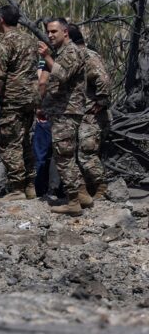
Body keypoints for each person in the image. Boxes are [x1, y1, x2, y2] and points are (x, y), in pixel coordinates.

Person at [0, 5, 40, 200]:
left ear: (1, 19)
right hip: (30, 97)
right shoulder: (30, 41)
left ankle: (17, 188)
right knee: (25, 140)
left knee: (10, 143)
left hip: (13, 98)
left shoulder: (4, 44)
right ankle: (30, 185)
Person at [39, 18, 88, 215]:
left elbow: (63, 74)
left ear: (65, 32)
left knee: (63, 156)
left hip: (68, 111)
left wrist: (47, 58)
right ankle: (82, 194)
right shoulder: (62, 52)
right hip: (60, 111)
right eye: (48, 32)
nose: (50, 35)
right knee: (65, 154)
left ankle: (73, 202)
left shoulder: (72, 51)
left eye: (54, 32)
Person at [69, 25, 112, 201]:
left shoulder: (88, 56)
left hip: (92, 115)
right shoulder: (75, 56)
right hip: (82, 113)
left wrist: (101, 101)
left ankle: (102, 188)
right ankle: (90, 190)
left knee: (86, 154)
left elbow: (103, 79)